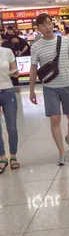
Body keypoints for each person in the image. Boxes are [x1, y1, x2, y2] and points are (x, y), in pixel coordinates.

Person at [30, 13, 69, 166]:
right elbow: (33, 69)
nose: (47, 27)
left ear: (52, 24)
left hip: (67, 84)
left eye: (49, 23)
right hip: (50, 88)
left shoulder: (64, 41)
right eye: (43, 25)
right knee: (55, 119)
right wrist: (31, 90)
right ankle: (61, 153)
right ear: (38, 28)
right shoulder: (36, 47)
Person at [0, 44, 20, 173]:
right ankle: (2, 157)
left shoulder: (7, 52)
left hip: (8, 91)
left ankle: (13, 156)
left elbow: (15, 72)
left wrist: (13, 72)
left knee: (11, 127)